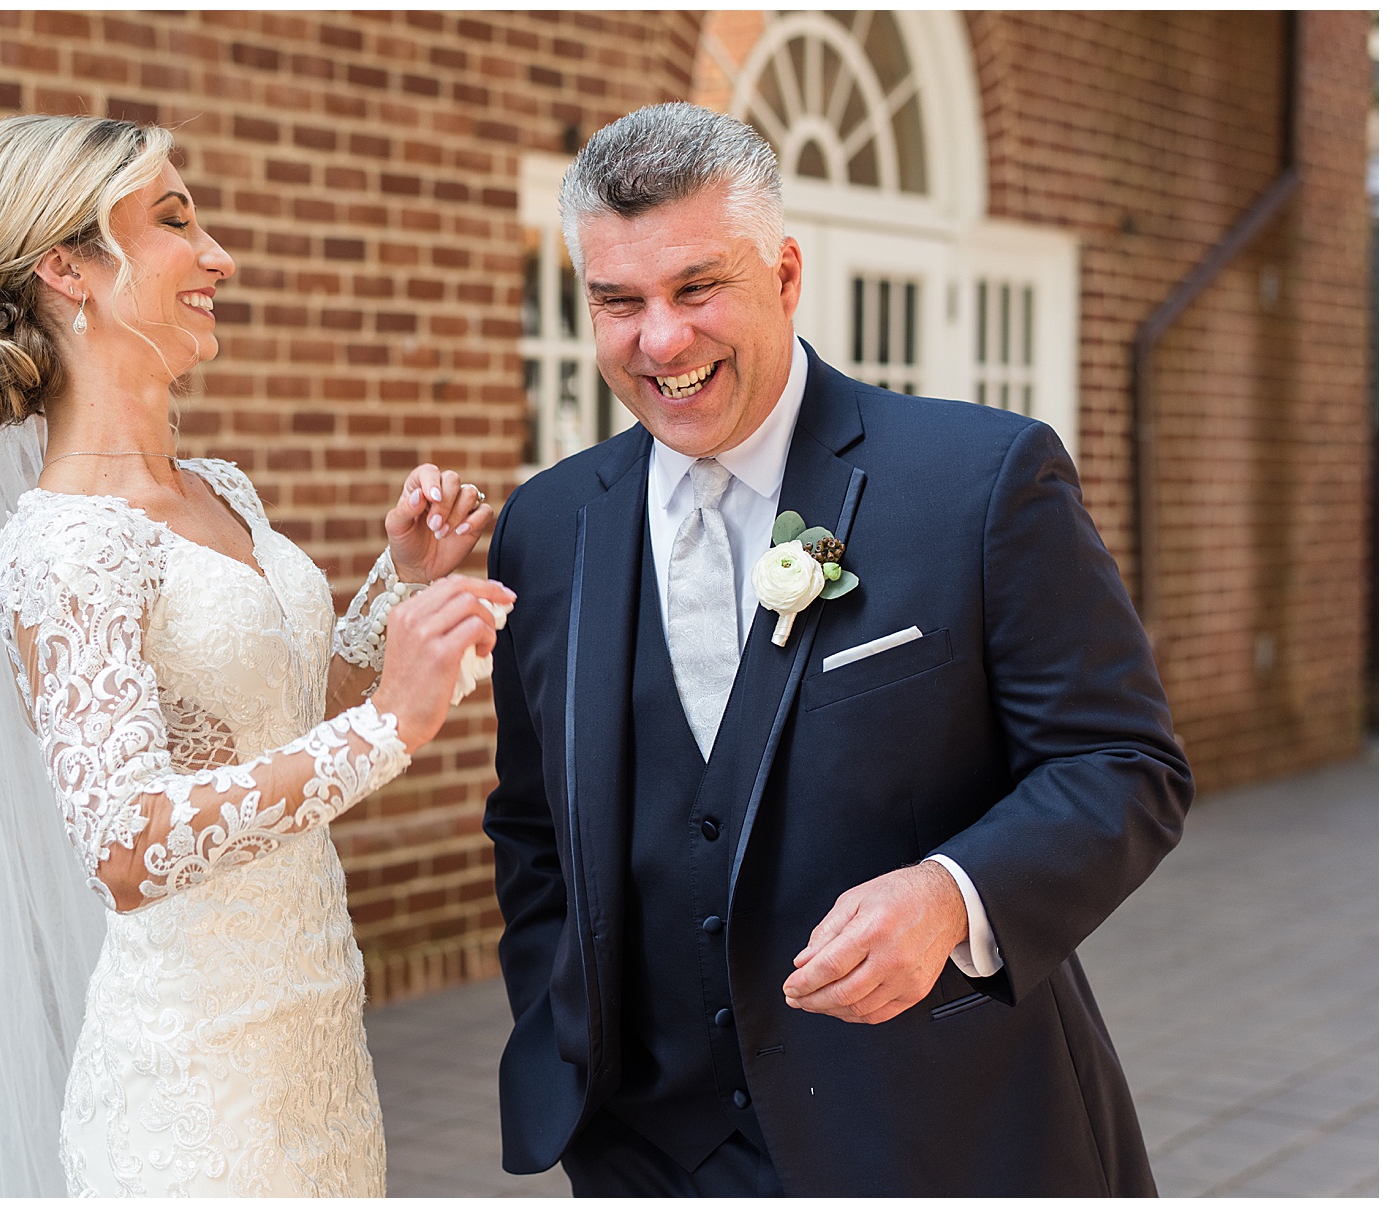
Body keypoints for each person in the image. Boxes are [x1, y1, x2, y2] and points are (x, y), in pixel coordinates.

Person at [483, 102, 1193, 1196]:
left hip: (938, 1135)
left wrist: (955, 894)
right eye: (618, 301)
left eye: (697, 287)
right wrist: (562, 1012)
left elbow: (1125, 765)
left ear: (785, 273)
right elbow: (534, 822)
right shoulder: (548, 524)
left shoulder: (980, 479)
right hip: (646, 1153)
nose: (659, 339)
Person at [0, 114, 511, 1196]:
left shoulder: (221, 489)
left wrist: (396, 581)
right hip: (195, 1094)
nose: (219, 254)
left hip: (314, 1044)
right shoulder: (65, 543)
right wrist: (393, 727)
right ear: (67, 266)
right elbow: (123, 845)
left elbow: (279, 717)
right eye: (176, 220)